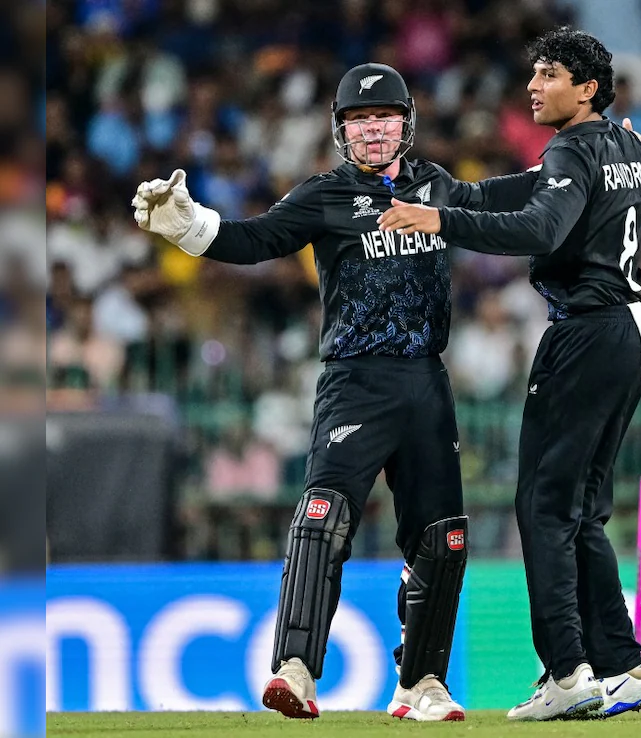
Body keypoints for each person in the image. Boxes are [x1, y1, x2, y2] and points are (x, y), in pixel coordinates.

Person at [130, 62, 538, 722]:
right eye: (359, 121)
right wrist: (191, 227)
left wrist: (581, 164)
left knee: (444, 538)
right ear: (341, 131)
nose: (373, 132)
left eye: (384, 119)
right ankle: (295, 668)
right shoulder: (325, 196)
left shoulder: (435, 185)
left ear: (407, 124)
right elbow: (255, 239)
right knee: (323, 516)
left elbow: (497, 196)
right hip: (355, 381)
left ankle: (422, 684)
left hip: (426, 381)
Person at [376, 28, 641, 721]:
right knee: (579, 510)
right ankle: (623, 666)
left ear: (586, 88)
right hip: (630, 328)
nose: (533, 84)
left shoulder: (572, 147)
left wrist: (439, 218)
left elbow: (539, 228)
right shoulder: (616, 147)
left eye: (548, 74)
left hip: (585, 332)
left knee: (544, 508)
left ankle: (566, 672)